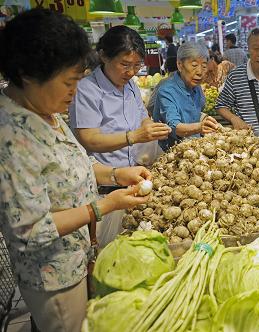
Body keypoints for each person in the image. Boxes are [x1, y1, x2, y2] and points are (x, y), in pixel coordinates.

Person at [0, 9, 152, 331]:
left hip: (77, 254)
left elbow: (76, 165)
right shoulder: (10, 136)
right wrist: (104, 206)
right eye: (69, 82)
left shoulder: (48, 111)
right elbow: (31, 230)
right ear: (28, 75)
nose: (75, 91)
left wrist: (114, 175)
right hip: (53, 273)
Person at [69, 25, 171, 168]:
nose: (131, 72)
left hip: (136, 167)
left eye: (137, 65)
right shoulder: (86, 90)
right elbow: (90, 140)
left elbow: (143, 116)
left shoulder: (131, 86)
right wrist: (134, 136)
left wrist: (151, 129)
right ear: (104, 56)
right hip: (107, 176)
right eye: (125, 64)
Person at [153, 42, 220, 150]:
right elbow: (174, 127)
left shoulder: (195, 86)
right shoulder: (167, 90)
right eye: (194, 65)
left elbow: (197, 111)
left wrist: (206, 119)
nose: (199, 72)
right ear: (180, 65)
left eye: (203, 66)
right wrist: (199, 127)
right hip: (172, 152)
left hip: (195, 147)